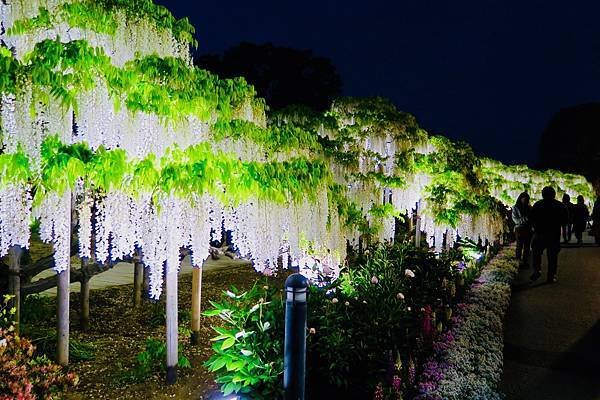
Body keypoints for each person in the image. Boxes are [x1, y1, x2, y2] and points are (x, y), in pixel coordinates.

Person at [530, 186, 568, 283]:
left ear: (543, 194)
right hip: (553, 235)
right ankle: (551, 276)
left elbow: (532, 219)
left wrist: (535, 228)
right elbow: (565, 220)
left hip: (539, 234)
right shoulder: (560, 206)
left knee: (536, 254)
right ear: (554, 194)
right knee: (552, 257)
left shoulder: (537, 205)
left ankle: (537, 270)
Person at [512, 192, 532, 267]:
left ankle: (525, 262)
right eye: (524, 199)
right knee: (519, 246)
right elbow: (515, 220)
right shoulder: (515, 207)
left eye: (527, 199)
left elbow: (532, 218)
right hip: (519, 229)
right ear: (520, 198)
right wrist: (526, 219)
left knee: (527, 246)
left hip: (528, 229)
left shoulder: (529, 208)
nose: (526, 200)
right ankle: (517, 262)